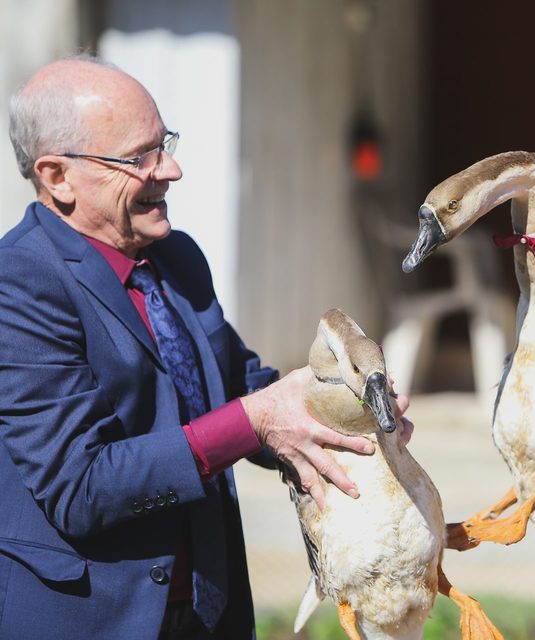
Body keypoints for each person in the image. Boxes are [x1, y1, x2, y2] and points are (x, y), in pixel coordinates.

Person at [0, 55, 410, 639]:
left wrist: (345, 413)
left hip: (207, 613)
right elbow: (80, 487)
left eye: (163, 143)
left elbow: (240, 380)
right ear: (57, 176)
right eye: (139, 157)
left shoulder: (177, 258)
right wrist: (257, 419)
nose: (171, 169)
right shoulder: (18, 283)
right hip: (91, 618)